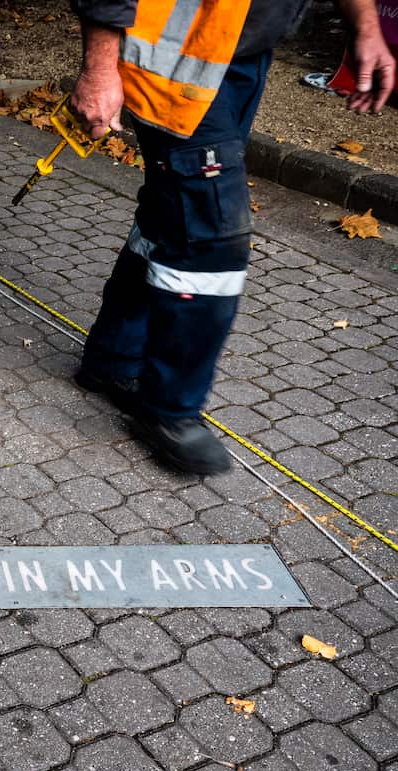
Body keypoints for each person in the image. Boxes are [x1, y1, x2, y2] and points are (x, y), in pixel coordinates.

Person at [68, 0, 395, 475]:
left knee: (173, 211)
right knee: (212, 236)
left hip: (239, 57)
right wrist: (99, 68)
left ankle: (114, 358)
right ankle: (170, 411)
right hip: (169, 66)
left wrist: (365, 27)